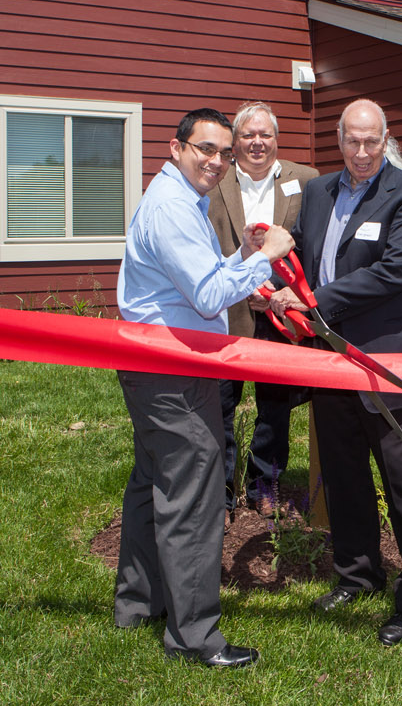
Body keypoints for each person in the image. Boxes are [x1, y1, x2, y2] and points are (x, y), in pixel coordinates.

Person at [113, 107, 295, 669]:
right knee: (194, 490)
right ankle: (195, 638)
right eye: (205, 150)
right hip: (171, 370)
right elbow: (208, 297)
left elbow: (198, 279)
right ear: (176, 148)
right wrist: (266, 258)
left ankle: (138, 605)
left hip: (156, 363)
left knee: (152, 482)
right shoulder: (171, 206)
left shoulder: (178, 200)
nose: (216, 161)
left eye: (224, 152)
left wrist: (238, 258)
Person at [269, 99, 402, 646]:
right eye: (352, 141)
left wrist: (313, 301)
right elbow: (301, 254)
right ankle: (358, 574)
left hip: (388, 361)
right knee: (342, 474)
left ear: (385, 139)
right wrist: (280, 290)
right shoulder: (316, 193)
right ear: (338, 140)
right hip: (328, 359)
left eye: (372, 142)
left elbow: (395, 272)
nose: (362, 153)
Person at [206, 101, 319, 514]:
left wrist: (280, 294)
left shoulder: (306, 181)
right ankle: (219, 491)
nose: (257, 143)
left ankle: (264, 488)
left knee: (275, 407)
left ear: (276, 139)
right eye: (248, 135)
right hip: (224, 313)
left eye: (265, 135)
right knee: (219, 405)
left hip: (281, 312)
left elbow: (311, 244)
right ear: (235, 142)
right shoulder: (212, 178)